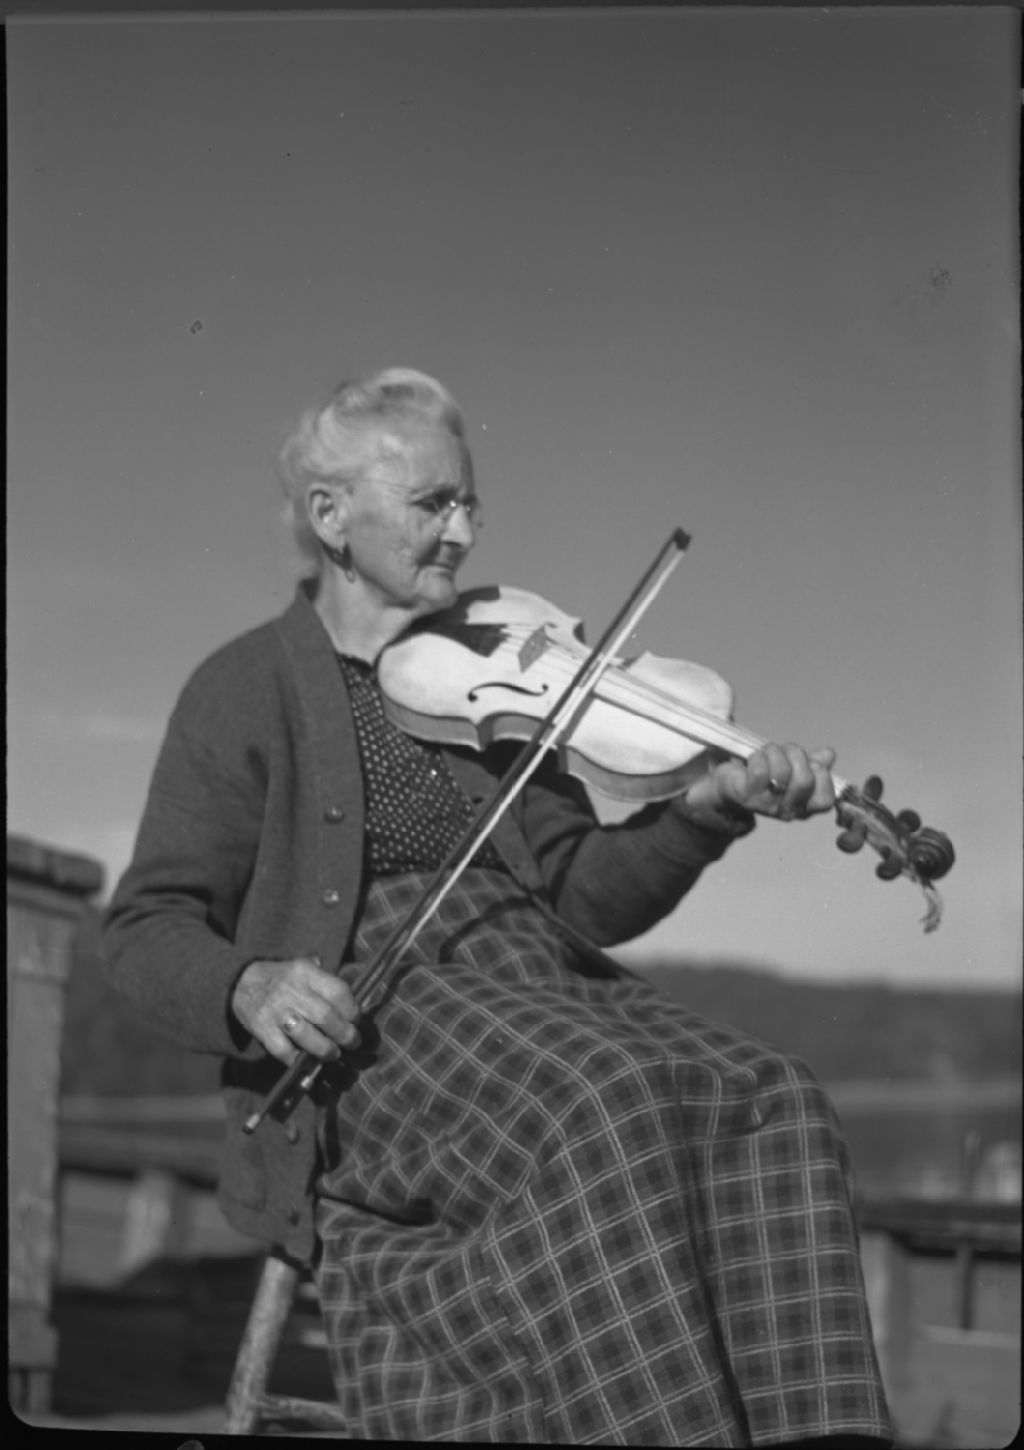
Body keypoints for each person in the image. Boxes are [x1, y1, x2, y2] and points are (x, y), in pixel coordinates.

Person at [103, 367, 892, 1447]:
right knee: (602, 1097)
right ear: (330, 515)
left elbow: (584, 901)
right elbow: (144, 926)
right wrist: (251, 986)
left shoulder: (489, 677)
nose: (465, 532)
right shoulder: (244, 686)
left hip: (538, 985)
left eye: (470, 503)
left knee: (777, 1094)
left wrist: (705, 810)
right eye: (433, 503)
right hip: (376, 1024)